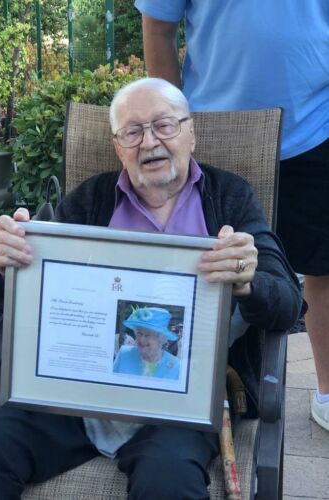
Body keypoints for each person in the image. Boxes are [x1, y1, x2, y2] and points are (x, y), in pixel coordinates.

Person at [0, 78, 303, 499]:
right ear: (119, 146)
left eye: (164, 125)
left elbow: (286, 303)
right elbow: (30, 300)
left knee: (168, 480)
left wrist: (249, 280)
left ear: (190, 132)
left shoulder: (230, 199)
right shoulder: (87, 202)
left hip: (178, 407)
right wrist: (6, 266)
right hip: (70, 394)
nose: (149, 141)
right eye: (132, 132)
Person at [135, 0, 329, 431]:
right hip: (216, 129)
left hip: (317, 127)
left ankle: (328, 393)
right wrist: (173, 125)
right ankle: (180, 383)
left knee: (325, 267)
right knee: (209, 262)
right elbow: (158, 27)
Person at [113, 307, 180, 379]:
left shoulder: (176, 365)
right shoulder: (124, 354)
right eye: (139, 333)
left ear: (161, 339)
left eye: (147, 335)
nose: (141, 339)